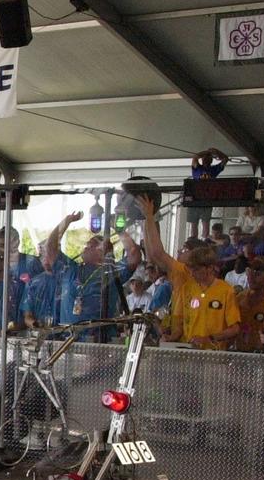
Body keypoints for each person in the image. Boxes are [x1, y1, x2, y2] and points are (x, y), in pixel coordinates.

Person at [138, 195, 239, 350]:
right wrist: (146, 219)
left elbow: (157, 253)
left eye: (184, 249)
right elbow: (152, 254)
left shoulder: (185, 272)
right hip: (186, 347)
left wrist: (149, 217)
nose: (179, 251)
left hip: (213, 354)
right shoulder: (187, 284)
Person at [43, 212, 141, 340]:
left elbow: (134, 254)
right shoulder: (71, 269)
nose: (85, 248)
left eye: (91, 245)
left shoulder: (111, 272)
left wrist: (119, 230)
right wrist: (66, 221)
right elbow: (50, 248)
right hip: (67, 341)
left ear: (103, 251)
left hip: (98, 341)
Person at [186, 148, 228, 239]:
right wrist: (207, 152)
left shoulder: (214, 169)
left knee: (205, 225)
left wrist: (216, 152)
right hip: (195, 199)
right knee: (194, 226)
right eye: (205, 157)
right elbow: (195, 158)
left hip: (207, 199)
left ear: (212, 160)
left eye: (209, 158)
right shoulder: (197, 168)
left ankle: (205, 242)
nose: (206, 159)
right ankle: (194, 242)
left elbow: (225, 159)